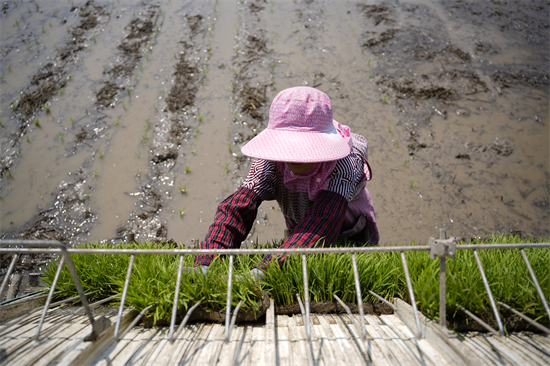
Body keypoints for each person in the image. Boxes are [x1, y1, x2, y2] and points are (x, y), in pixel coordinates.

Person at [193, 86, 378, 276]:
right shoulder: (270, 162)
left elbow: (323, 219)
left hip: (349, 230)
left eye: (306, 146)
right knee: (297, 253)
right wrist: (208, 259)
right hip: (298, 224)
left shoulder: (345, 163)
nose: (296, 155)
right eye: (289, 146)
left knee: (346, 269)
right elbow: (238, 208)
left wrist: (265, 270)